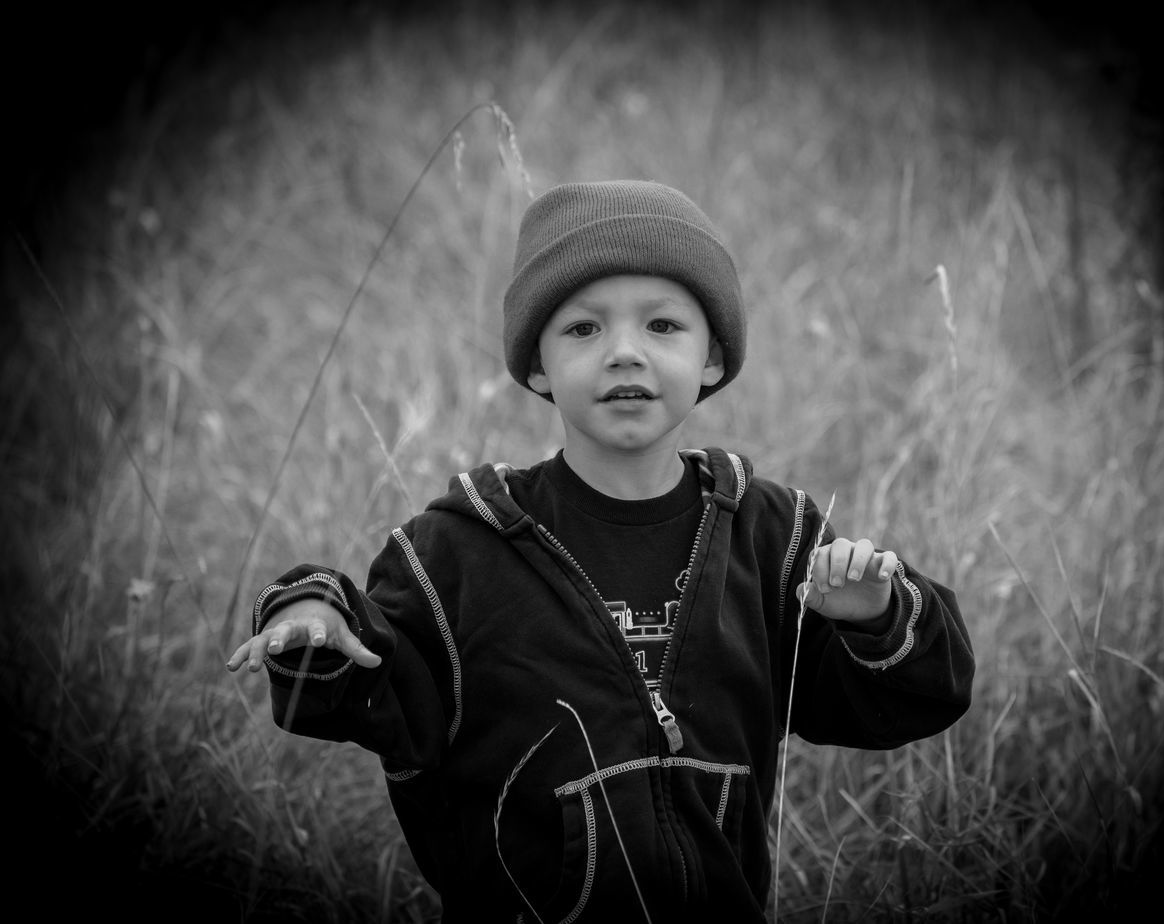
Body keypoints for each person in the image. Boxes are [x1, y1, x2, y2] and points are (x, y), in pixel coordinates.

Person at [226, 179, 974, 922]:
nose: (624, 354)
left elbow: (917, 698)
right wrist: (314, 613)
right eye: (584, 329)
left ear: (713, 357)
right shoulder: (459, 549)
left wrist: (873, 617)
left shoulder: (773, 540)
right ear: (539, 366)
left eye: (663, 327)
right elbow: (382, 686)